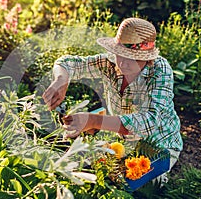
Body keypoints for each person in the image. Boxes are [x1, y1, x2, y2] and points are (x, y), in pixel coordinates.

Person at [42, 17, 183, 175]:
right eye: (120, 54)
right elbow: (67, 63)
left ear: (147, 58)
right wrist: (61, 80)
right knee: (84, 173)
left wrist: (93, 121)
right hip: (123, 142)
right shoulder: (110, 63)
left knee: (141, 188)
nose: (123, 63)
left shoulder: (159, 71)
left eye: (133, 58)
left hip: (159, 145)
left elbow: (148, 122)